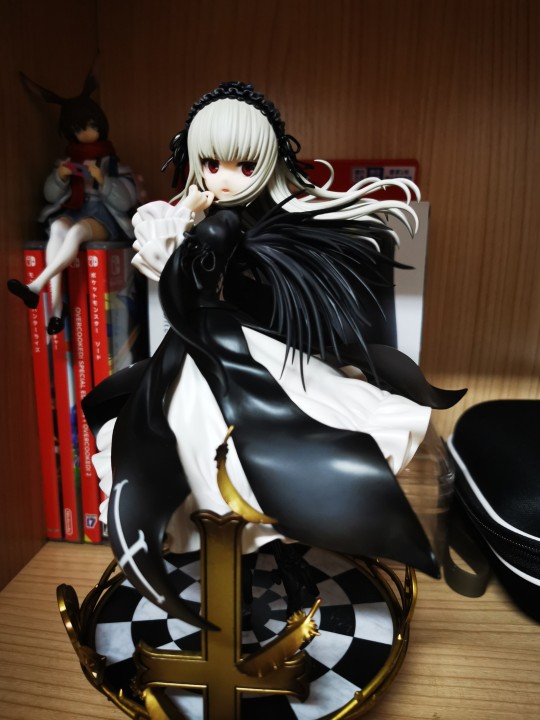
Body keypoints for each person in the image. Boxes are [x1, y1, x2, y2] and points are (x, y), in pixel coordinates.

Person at [83, 82, 465, 628]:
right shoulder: (196, 220)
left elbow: (214, 283)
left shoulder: (253, 226)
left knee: (271, 466)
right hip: (196, 360)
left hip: (256, 356)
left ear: (269, 163)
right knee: (207, 470)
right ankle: (233, 586)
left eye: (243, 165)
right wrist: (182, 218)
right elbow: (172, 278)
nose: (224, 178)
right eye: (210, 164)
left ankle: (287, 565)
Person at [7, 68, 136, 334]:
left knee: (77, 232)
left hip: (103, 216)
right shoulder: (68, 160)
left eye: (91, 125)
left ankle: (36, 285)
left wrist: (102, 180)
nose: (86, 133)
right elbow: (50, 196)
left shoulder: (112, 163)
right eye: (78, 129)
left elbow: (126, 200)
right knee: (57, 227)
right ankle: (56, 308)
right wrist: (61, 176)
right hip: (74, 209)